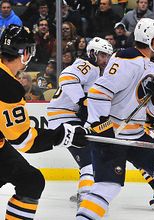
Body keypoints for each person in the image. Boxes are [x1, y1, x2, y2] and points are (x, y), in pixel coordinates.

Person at [76, 18, 154, 220]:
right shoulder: (126, 59)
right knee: (108, 186)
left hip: (135, 134)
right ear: (153, 42)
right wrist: (102, 126)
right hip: (111, 134)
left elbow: (151, 112)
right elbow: (98, 92)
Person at [0, 24, 87, 219]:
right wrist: (64, 135)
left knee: (30, 180)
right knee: (30, 181)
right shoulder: (7, 86)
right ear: (24, 53)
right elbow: (24, 139)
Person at [46, 37, 114, 205]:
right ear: (92, 53)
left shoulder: (96, 70)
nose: (105, 60)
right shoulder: (87, 65)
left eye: (107, 56)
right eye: (102, 55)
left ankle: (84, 191)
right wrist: (81, 102)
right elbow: (67, 77)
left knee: (91, 153)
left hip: (69, 118)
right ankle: (86, 196)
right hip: (63, 118)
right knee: (89, 156)